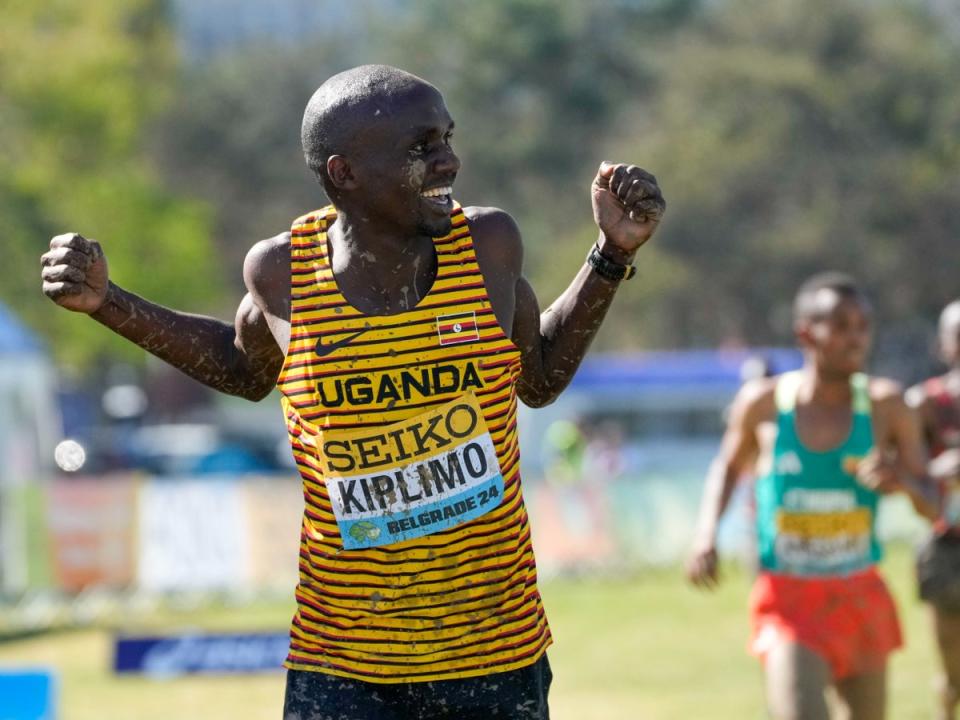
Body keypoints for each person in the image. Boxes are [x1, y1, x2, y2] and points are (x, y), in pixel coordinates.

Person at [40, 65, 665, 719]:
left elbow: (538, 380)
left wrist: (611, 254)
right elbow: (241, 367)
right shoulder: (283, 272)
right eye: (421, 147)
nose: (449, 160)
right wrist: (107, 303)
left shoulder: (485, 247)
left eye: (448, 138)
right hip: (341, 662)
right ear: (344, 174)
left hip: (493, 651)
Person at [686, 272, 939, 720]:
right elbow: (727, 466)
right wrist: (707, 534)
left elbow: (932, 504)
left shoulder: (886, 407)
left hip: (859, 595)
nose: (857, 338)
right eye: (841, 326)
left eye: (863, 326)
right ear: (806, 333)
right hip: (789, 601)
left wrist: (899, 479)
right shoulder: (763, 404)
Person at [906, 299, 960, 720]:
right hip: (948, 548)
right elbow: (898, 468)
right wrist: (934, 472)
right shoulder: (924, 403)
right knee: (954, 673)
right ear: (944, 346)